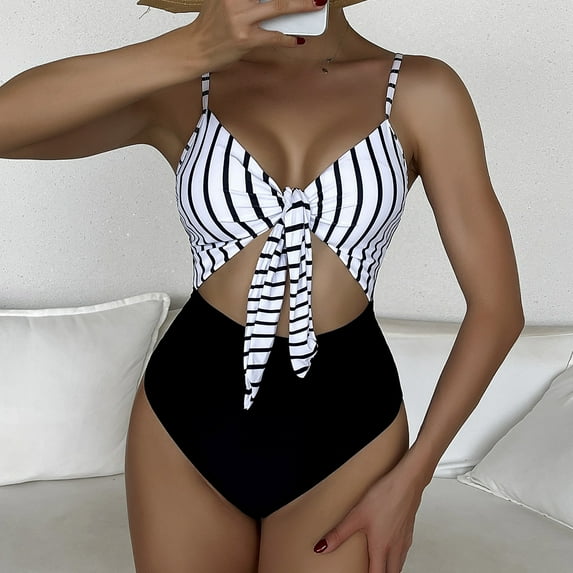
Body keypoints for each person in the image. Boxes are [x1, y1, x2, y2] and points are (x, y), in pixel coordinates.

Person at [0, 0, 525, 571]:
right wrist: (191, 46)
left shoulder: (422, 90)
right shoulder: (183, 86)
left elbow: (497, 310)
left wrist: (412, 480)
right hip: (186, 415)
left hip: (348, 424)